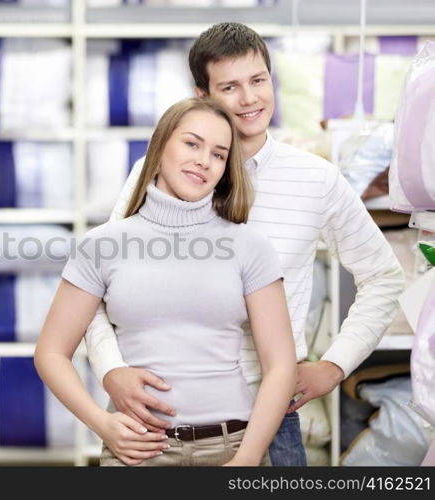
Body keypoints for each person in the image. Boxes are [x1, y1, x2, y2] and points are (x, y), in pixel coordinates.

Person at [84, 22, 406, 466]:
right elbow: (96, 287)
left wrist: (334, 365)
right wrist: (111, 370)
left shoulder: (315, 179)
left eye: (258, 81)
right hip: (160, 410)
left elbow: (383, 276)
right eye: (230, 87)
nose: (249, 99)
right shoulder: (159, 172)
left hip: (269, 417)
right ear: (202, 96)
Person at [35, 97, 296, 466]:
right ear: (160, 148)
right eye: (191, 143)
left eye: (219, 154)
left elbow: (281, 366)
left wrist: (248, 458)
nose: (204, 160)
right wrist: (103, 425)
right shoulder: (102, 245)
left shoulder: (250, 247)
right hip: (138, 452)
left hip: (232, 447)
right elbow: (50, 353)